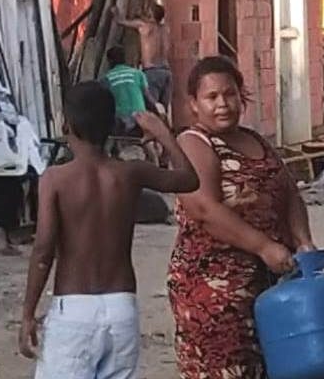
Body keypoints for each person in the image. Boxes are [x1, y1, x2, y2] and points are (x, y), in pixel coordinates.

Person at [18, 81, 199, 379]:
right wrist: (164, 134)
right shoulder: (129, 173)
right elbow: (188, 180)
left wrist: (28, 314)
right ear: (111, 125)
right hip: (121, 308)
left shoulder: (55, 179)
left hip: (74, 310)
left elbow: (43, 251)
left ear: (67, 124)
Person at [168, 55, 315, 379]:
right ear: (194, 104)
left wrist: (304, 242)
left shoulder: (256, 140)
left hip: (271, 284)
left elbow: (289, 193)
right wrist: (264, 246)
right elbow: (205, 210)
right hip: (214, 289)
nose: (223, 104)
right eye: (212, 97)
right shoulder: (193, 144)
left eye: (230, 94)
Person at [112, 4, 172, 114]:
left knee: (151, 110)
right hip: (166, 72)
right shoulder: (165, 29)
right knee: (163, 111)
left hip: (152, 72)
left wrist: (115, 11)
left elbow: (120, 21)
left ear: (150, 14)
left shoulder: (144, 26)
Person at [103, 45, 156, 135]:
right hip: (141, 118)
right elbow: (148, 97)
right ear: (125, 59)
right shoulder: (137, 73)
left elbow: (105, 103)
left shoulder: (106, 79)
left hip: (121, 121)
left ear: (109, 61)